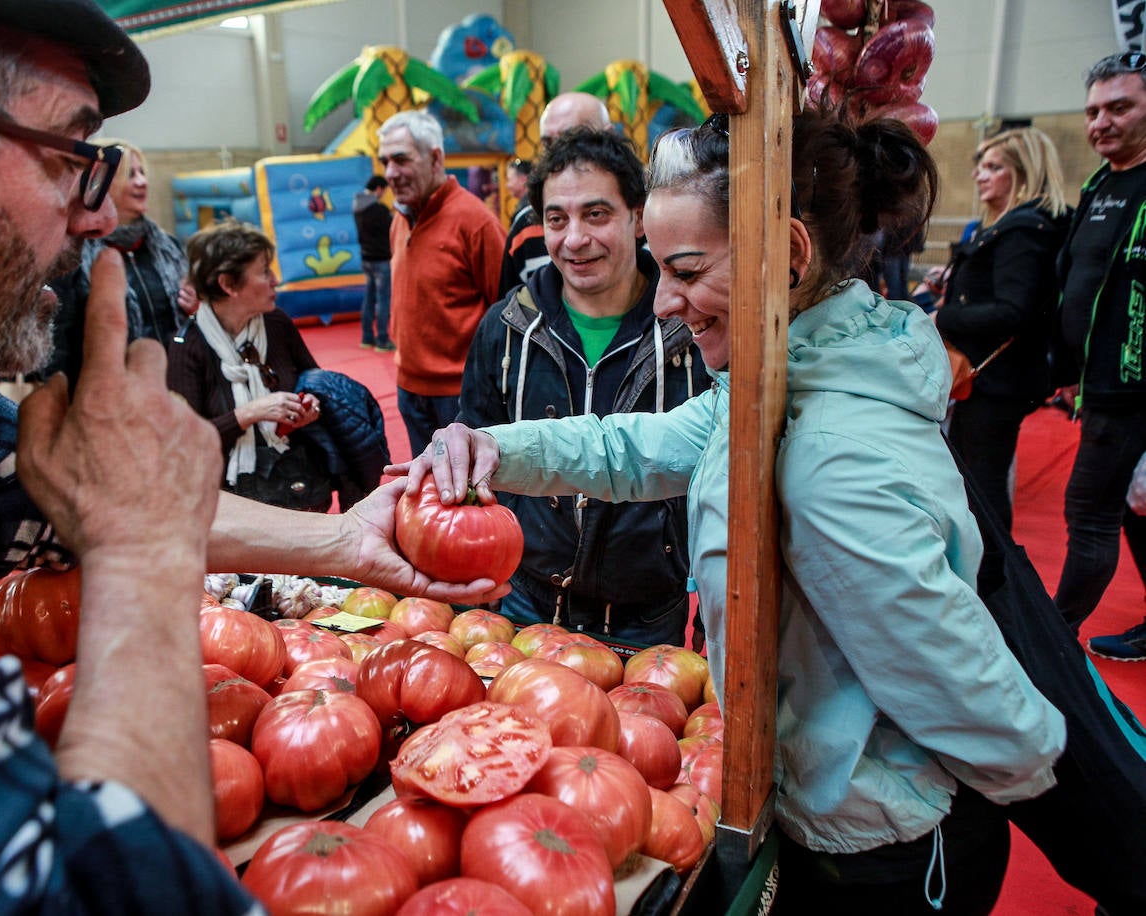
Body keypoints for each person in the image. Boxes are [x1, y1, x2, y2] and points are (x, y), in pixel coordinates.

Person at [0, 3, 504, 911]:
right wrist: (144, 553)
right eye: (67, 160)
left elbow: (57, 489)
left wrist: (344, 542)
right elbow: (99, 893)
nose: (95, 217)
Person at [399, 110, 1066, 914]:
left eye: (685, 270)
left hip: (886, 847)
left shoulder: (825, 458)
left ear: (789, 254)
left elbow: (960, 686)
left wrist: (1019, 775)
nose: (662, 303)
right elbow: (629, 447)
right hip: (846, 809)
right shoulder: (781, 378)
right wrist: (491, 447)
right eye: (661, 269)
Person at [457, 127, 710, 646]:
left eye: (596, 214)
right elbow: (472, 467)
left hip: (648, 613)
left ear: (638, 218)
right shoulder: (507, 328)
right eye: (557, 219)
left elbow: (726, 479)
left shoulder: (693, 329)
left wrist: (718, 607)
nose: (574, 239)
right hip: (526, 601)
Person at [1051, 52, 1146, 647]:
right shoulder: (1100, 184)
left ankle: (1053, 639)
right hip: (1097, 381)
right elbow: (1077, 279)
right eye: (1092, 112)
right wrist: (1068, 368)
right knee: (1129, 509)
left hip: (1129, 387)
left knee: (1089, 510)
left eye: (1119, 107)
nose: (1102, 122)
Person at [933, 127, 1072, 531]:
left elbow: (1013, 311)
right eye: (981, 166)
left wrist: (946, 317)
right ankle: (988, 561)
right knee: (975, 480)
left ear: (1023, 173)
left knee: (982, 485)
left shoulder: (1023, 231)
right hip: (991, 378)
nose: (979, 175)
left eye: (993, 167)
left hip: (995, 380)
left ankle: (994, 565)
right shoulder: (1015, 227)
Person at [166, 219, 336, 512]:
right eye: (264, 271)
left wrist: (311, 408)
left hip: (296, 484)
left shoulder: (277, 323)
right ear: (228, 284)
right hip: (227, 503)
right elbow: (186, 441)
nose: (275, 280)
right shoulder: (187, 347)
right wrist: (249, 414)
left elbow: (316, 384)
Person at [377, 109, 504, 457]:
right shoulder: (399, 219)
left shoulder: (476, 221)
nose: (390, 173)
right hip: (409, 387)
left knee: (465, 485)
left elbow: (506, 311)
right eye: (385, 162)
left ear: (435, 158)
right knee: (425, 483)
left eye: (401, 159)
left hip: (459, 395)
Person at [46, 137, 192, 383]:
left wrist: (197, 309)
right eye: (130, 174)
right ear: (100, 183)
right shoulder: (74, 257)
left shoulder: (168, 247)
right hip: (112, 387)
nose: (142, 182)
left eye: (142, 172)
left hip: (177, 381)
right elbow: (60, 343)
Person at [498, 92, 614, 297]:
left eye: (573, 141)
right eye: (548, 144)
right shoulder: (527, 224)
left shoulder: (647, 218)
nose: (558, 156)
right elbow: (511, 308)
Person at [352, 174, 395, 351]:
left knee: (369, 298)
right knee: (383, 300)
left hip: (366, 258)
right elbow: (392, 230)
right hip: (381, 259)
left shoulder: (357, 207)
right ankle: (382, 339)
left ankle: (367, 337)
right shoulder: (379, 210)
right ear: (378, 189)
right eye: (383, 191)